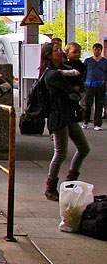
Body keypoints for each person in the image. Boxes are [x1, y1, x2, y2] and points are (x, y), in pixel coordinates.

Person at [39, 42, 90, 201]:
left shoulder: (62, 69)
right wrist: (76, 91)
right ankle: (51, 187)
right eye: (56, 51)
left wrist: (77, 90)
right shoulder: (52, 75)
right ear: (49, 55)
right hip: (58, 116)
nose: (61, 52)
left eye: (60, 50)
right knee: (60, 153)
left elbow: (79, 81)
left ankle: (71, 179)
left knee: (84, 148)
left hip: (68, 114)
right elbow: (72, 93)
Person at [83, 43, 107, 130]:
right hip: (89, 84)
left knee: (99, 104)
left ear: (101, 50)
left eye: (98, 50)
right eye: (95, 49)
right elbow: (83, 72)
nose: (96, 51)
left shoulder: (104, 62)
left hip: (100, 85)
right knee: (88, 104)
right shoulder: (88, 61)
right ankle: (86, 121)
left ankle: (97, 124)